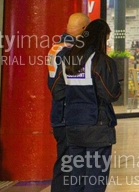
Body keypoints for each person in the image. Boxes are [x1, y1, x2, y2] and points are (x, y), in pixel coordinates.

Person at [51, 19, 121, 192]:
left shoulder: (68, 59)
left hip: (73, 126)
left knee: (77, 177)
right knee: (96, 177)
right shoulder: (101, 61)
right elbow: (110, 94)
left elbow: (57, 91)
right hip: (98, 127)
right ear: (102, 38)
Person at [47, 12, 90, 192]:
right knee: (72, 166)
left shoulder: (55, 48)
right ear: (83, 30)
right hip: (69, 115)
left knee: (64, 163)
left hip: (59, 115)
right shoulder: (71, 52)